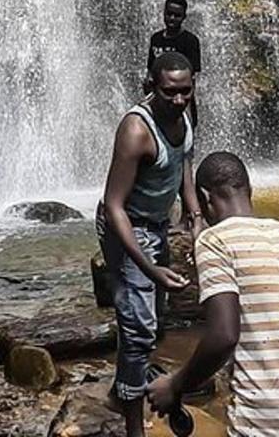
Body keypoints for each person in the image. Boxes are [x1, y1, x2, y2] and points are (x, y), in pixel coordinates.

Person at [147, 151, 279, 437]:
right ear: (250, 191)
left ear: (205, 198)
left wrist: (174, 385)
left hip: (267, 424)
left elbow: (223, 337)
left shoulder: (214, 240)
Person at [99, 50, 204, 437]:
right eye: (169, 92)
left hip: (157, 223)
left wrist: (194, 218)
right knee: (140, 327)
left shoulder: (184, 114)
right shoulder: (136, 130)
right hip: (126, 224)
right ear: (151, 86)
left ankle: (118, 390)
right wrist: (148, 266)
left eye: (185, 91)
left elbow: (184, 168)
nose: (178, 100)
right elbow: (113, 206)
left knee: (153, 321)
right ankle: (132, 427)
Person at [144, 0, 201, 128]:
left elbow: (193, 76)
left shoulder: (190, 40)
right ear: (163, 13)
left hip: (180, 98)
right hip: (158, 97)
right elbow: (151, 69)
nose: (172, 18)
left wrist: (187, 102)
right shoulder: (156, 38)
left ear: (184, 17)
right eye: (169, 14)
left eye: (177, 15)